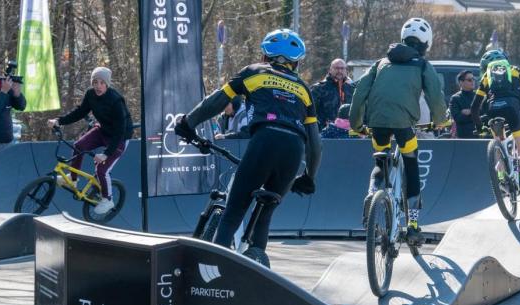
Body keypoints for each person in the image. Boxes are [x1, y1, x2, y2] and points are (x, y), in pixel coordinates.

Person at [174, 28, 322, 259]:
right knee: (265, 214)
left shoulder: (253, 72)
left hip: (264, 141)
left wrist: (187, 123)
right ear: (296, 63)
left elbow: (215, 103)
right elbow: (315, 143)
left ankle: (213, 273)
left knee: (233, 213)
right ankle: (257, 263)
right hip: (295, 150)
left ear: (264, 56)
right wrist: (309, 177)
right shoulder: (304, 89)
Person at [349, 17, 446, 246]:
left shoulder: (381, 63)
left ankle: (373, 193)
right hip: (404, 125)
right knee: (411, 166)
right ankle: (412, 225)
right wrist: (440, 121)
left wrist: (357, 124)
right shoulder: (422, 65)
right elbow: (435, 96)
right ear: (425, 44)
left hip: (377, 124)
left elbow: (360, 91)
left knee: (379, 161)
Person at [47, 67, 133, 214]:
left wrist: (106, 154)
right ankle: (73, 179)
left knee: (101, 169)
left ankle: (108, 199)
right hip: (103, 130)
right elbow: (80, 112)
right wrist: (59, 121)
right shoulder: (90, 94)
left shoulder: (116, 100)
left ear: (107, 84)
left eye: (101, 83)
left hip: (119, 137)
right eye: (95, 82)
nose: (98, 86)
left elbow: (120, 130)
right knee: (79, 145)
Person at [471, 49, 520, 193]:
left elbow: (474, 107)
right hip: (512, 110)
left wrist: (480, 127)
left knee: (498, 148)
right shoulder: (515, 71)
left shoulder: (486, 77)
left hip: (493, 111)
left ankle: (502, 179)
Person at [311, 58, 355, 129]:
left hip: (349, 132)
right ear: (330, 70)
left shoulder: (352, 89)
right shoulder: (318, 88)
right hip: (325, 132)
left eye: (342, 68)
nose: (339, 71)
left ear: (346, 70)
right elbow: (310, 111)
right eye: (336, 68)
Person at [449, 70, 477, 138]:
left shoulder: (479, 96)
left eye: (473, 79)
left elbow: (485, 115)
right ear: (461, 82)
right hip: (464, 137)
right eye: (469, 80)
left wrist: (470, 112)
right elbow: (458, 118)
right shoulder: (455, 98)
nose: (473, 82)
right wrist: (475, 113)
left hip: (480, 135)